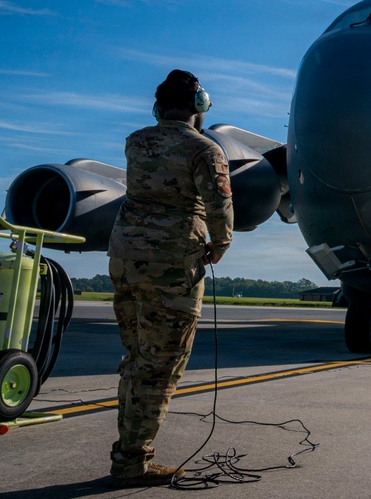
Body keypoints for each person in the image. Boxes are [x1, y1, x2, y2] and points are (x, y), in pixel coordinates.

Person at [106, 69, 233, 487]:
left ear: (158, 106)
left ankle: (128, 451)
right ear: (199, 106)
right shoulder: (206, 149)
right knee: (162, 366)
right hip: (172, 265)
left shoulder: (135, 141)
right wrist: (220, 244)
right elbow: (219, 207)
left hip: (126, 259)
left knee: (137, 358)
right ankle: (131, 462)